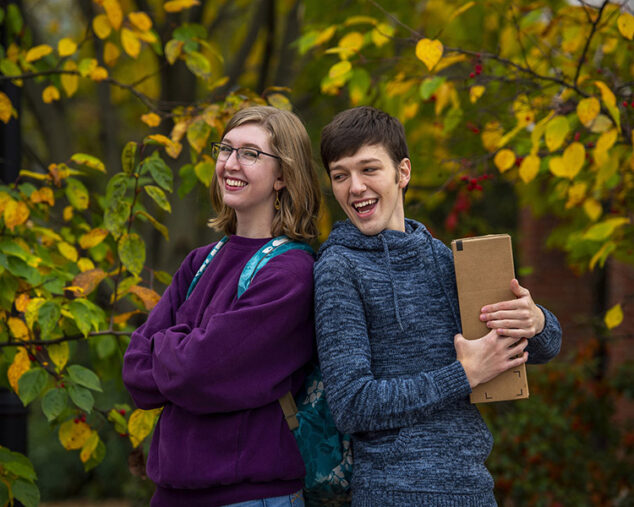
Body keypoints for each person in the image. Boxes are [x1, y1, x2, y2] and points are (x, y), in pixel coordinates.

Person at [313, 106, 562, 506]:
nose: (354, 186)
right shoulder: (338, 269)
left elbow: (545, 349)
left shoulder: (443, 259)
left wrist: (536, 321)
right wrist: (464, 374)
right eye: (340, 175)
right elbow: (352, 405)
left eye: (369, 169)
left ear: (403, 172)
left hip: (473, 489)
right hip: (393, 493)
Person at [122, 105, 321, 507]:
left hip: (251, 496)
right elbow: (135, 371)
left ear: (283, 175)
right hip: (171, 493)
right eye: (225, 149)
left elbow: (198, 370)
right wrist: (188, 350)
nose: (230, 163)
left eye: (250, 153)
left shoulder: (291, 272)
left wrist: (170, 343)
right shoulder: (200, 261)